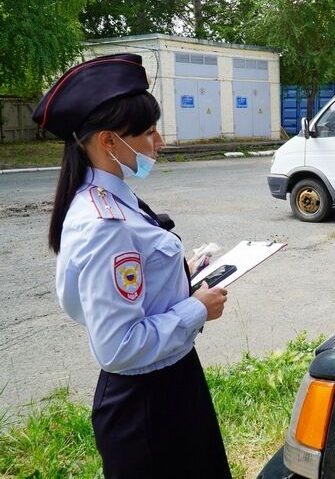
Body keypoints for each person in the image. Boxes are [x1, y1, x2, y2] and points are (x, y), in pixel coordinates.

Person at [35, 54, 231, 478]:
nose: (158, 143)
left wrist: (180, 275)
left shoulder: (105, 198)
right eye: (147, 132)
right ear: (108, 141)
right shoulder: (105, 224)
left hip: (169, 383)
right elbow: (117, 347)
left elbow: (88, 299)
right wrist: (197, 308)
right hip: (148, 405)